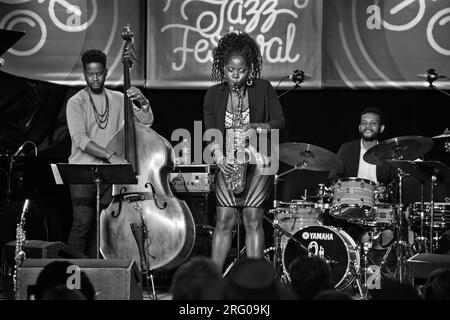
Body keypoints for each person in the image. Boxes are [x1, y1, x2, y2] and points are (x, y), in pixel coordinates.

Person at [203, 31, 285, 271]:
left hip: (260, 161)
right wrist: (219, 158)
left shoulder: (263, 88)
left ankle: (254, 282)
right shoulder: (213, 94)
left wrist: (257, 128)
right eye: (230, 70)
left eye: (241, 71)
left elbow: (279, 122)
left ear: (250, 70)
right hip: (228, 160)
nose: (235, 76)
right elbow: (210, 132)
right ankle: (214, 283)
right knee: (224, 220)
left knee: (252, 218)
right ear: (223, 67)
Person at [66, 49, 153, 258]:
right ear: (84, 73)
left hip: (110, 174)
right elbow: (80, 138)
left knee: (103, 227)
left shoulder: (118, 98)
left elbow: (146, 123)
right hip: (82, 171)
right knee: (82, 223)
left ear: (106, 72)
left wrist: (144, 102)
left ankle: (97, 274)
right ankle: (73, 274)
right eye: (90, 74)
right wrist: (110, 155)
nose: (95, 78)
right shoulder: (76, 102)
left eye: (99, 73)